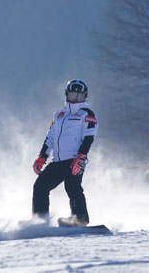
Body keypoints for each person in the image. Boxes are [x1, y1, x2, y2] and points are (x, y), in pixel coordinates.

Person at [31, 79, 98, 226]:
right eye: (73, 95)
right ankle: (39, 220)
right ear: (66, 94)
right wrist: (42, 157)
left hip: (74, 160)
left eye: (79, 96)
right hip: (58, 161)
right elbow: (50, 137)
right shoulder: (59, 114)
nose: (75, 99)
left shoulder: (87, 114)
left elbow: (88, 137)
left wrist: (81, 156)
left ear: (85, 97)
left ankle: (80, 218)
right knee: (40, 185)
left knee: (72, 186)